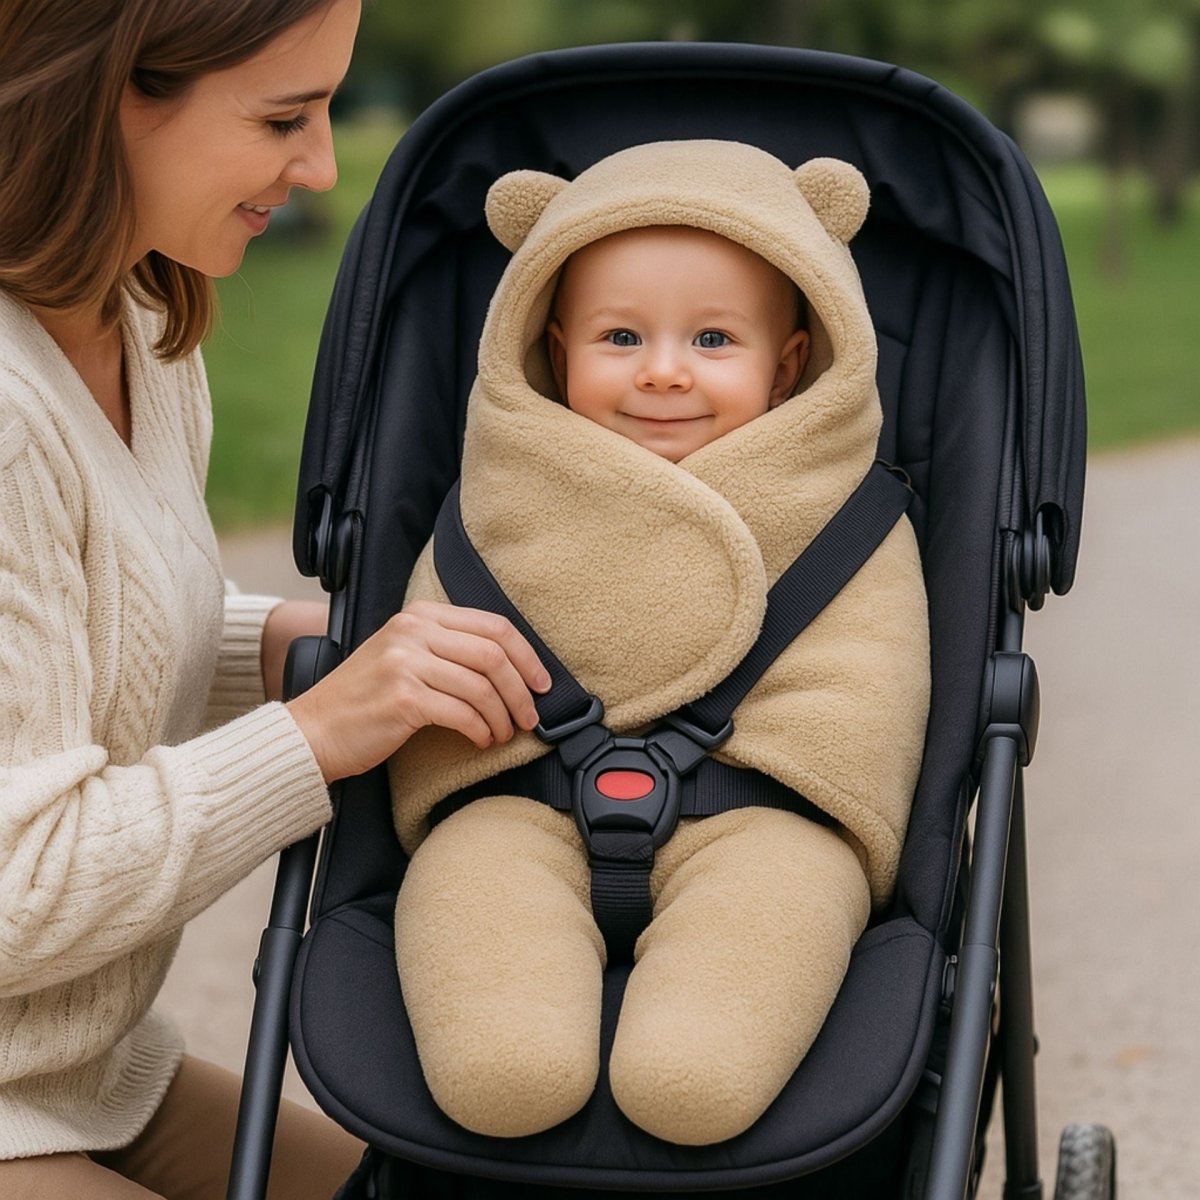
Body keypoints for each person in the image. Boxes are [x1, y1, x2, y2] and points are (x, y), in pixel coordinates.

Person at [0, 2, 549, 1196]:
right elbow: (14, 889)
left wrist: (296, 645)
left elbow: (82, 641)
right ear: (105, 94)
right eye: (284, 119)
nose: (322, 168)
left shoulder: (139, 322)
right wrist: (312, 736)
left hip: (79, 1075)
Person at [387, 141, 932, 1146]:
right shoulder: (505, 493)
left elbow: (868, 685)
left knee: (704, 1059)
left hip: (769, 818)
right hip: (511, 797)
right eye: (620, 336)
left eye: (714, 339)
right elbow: (443, 655)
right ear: (554, 350)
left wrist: (821, 785)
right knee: (497, 1041)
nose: (664, 371)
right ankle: (510, 1041)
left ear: (790, 365)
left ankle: (700, 1045)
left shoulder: (843, 514)